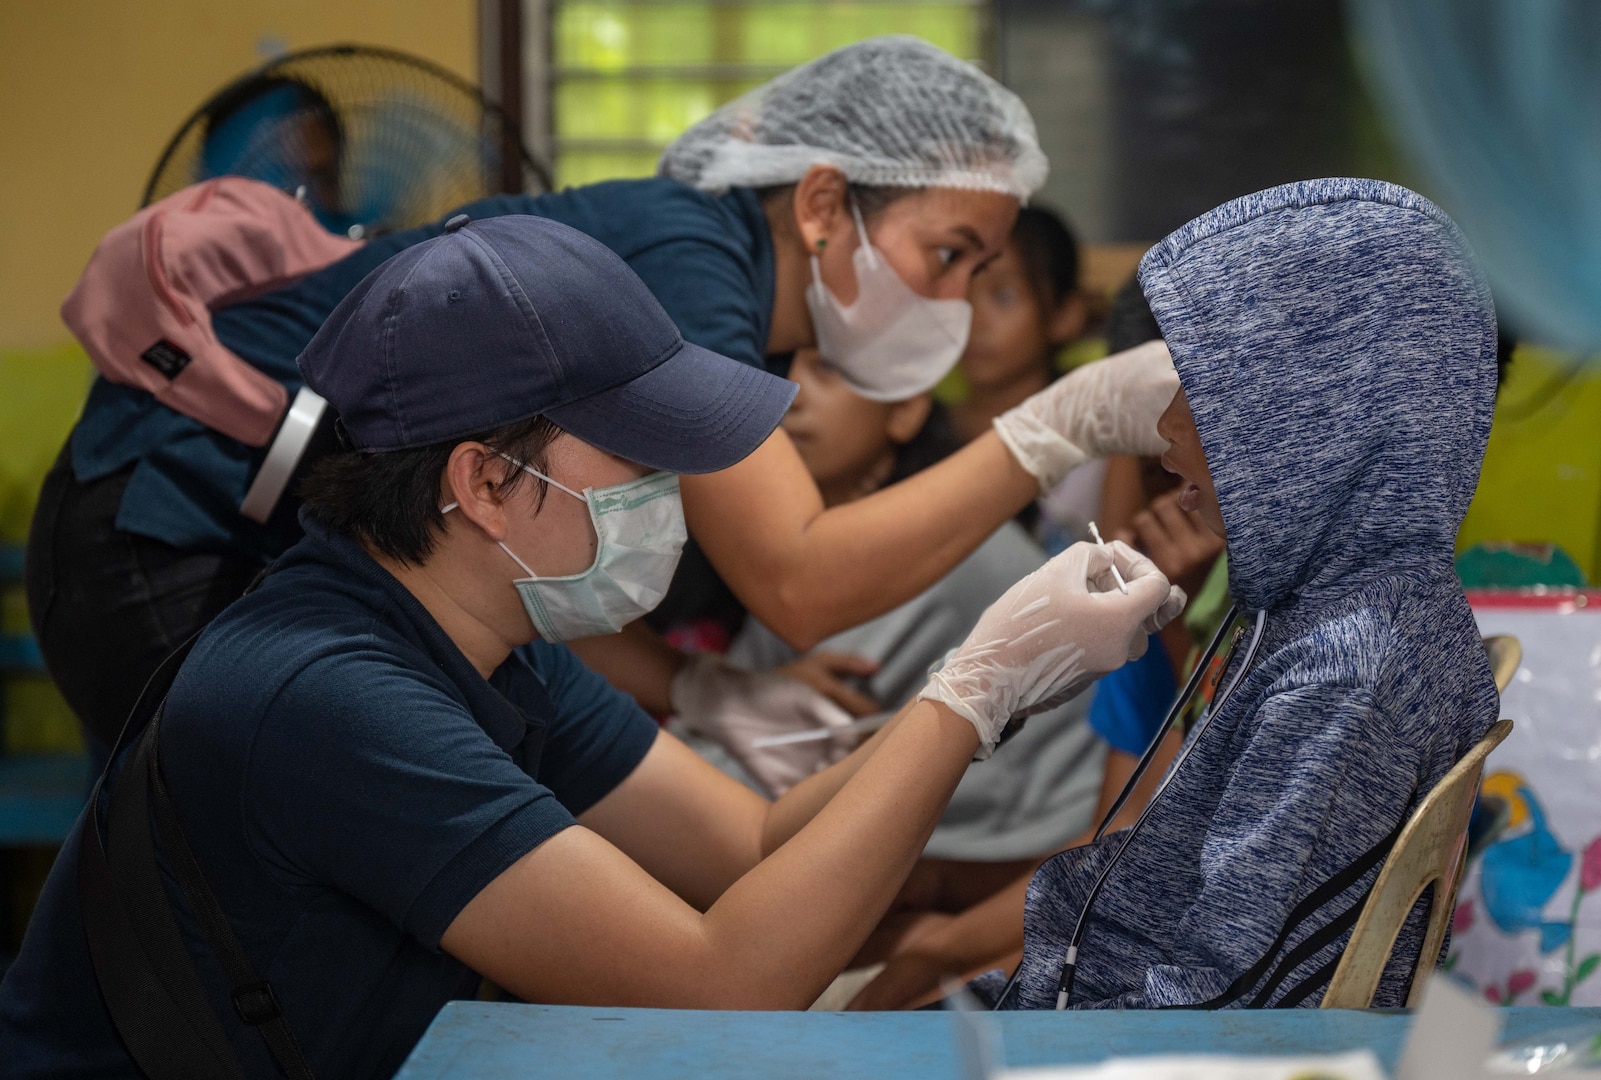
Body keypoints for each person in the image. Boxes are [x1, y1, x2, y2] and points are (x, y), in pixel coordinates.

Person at [0, 215, 1179, 1077]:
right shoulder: (325, 693)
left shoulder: (487, 633)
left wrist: (990, 667)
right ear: (485, 484)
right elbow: (727, 984)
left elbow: (748, 843)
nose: (675, 495)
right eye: (641, 459)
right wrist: (974, 694)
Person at [28, 36, 1176, 761]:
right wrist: (1059, 425)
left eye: (983, 275)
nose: (961, 304)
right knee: (238, 910)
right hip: (165, 524)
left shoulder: (728, 302)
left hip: (272, 544)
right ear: (822, 204)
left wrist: (694, 687)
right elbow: (801, 579)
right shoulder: (691, 266)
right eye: (950, 254)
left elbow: (522, 561)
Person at [988, 178, 1501, 1010]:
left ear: (1311, 419)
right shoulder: (1331, 612)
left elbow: (1216, 995)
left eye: (1200, 390)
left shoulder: (1344, 672)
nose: (1163, 432)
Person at [695, 347, 1108, 854]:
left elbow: (741, 807)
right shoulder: (803, 533)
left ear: (906, 409)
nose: (791, 391)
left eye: (829, 367)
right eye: (780, 367)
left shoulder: (944, 555)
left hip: (1018, 844)